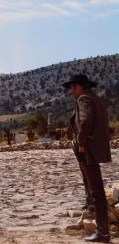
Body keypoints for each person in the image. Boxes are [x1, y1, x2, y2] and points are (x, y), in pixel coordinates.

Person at [62, 74, 111, 243]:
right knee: (95, 188)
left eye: (72, 87)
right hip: (93, 148)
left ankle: (103, 232)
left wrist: (81, 144)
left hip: (88, 150)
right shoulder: (94, 98)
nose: (71, 92)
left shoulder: (84, 99)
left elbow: (86, 121)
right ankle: (101, 228)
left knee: (96, 191)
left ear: (78, 86)